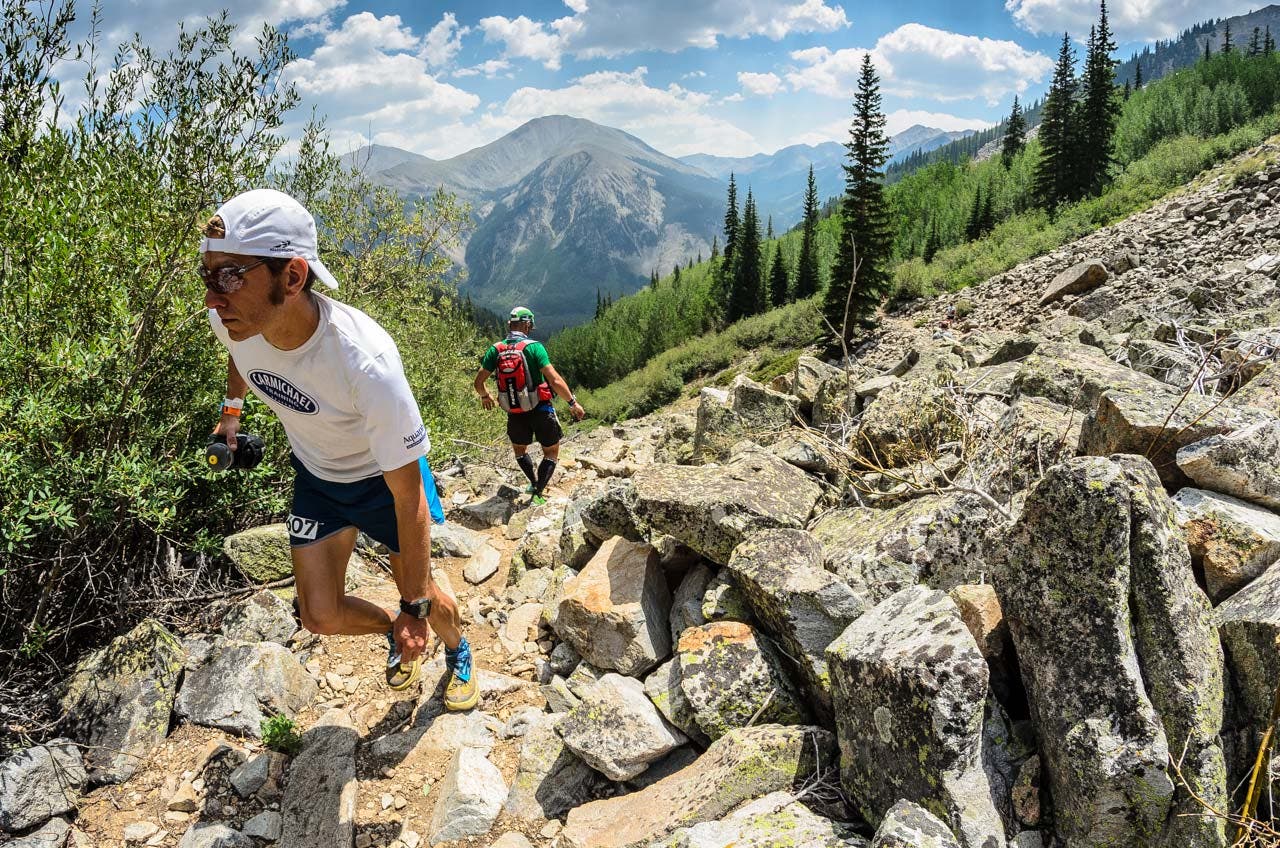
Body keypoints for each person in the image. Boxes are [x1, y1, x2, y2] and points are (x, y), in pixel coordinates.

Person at [201, 188, 477, 711]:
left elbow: (410, 496)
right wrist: (231, 413)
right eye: (208, 275)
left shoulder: (365, 361)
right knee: (320, 616)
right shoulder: (235, 318)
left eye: (231, 275)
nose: (214, 297)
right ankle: (393, 633)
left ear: (293, 276)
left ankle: (457, 649)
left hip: (383, 483)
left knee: (426, 597)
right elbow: (238, 351)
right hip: (317, 477)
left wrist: (414, 606)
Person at [474, 307, 584, 505]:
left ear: (510, 324)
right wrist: (572, 403)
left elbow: (478, 382)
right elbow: (555, 380)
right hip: (540, 409)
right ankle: (539, 493)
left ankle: (533, 482)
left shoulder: (496, 349)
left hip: (514, 412)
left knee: (520, 450)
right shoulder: (534, 347)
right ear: (527, 324)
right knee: (551, 452)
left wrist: (485, 396)